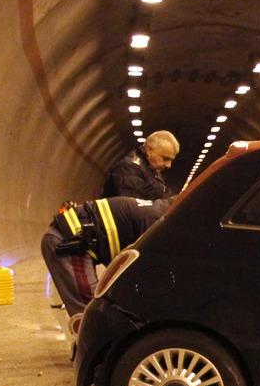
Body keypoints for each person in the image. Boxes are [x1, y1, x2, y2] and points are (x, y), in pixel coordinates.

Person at [41, 196, 169, 317]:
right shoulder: (155, 223)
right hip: (68, 242)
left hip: (78, 242)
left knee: (99, 310)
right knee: (91, 312)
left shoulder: (154, 213)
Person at [103, 130, 179, 200]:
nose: (169, 165)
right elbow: (132, 209)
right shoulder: (129, 169)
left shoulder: (151, 168)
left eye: (171, 160)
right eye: (165, 158)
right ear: (149, 150)